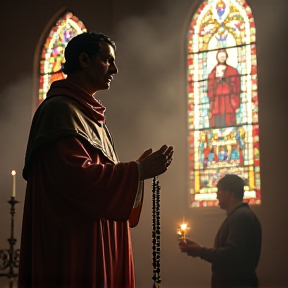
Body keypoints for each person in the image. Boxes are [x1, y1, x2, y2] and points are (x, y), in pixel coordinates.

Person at [18, 32, 174, 288]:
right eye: (108, 60)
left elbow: (98, 174)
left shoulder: (89, 115)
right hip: (74, 245)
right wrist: (136, 171)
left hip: (98, 237)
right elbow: (75, 178)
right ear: (83, 59)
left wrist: (135, 172)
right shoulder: (59, 110)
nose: (115, 69)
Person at [179, 174, 262, 288]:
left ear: (229, 194)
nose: (217, 195)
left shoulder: (241, 217)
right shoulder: (238, 216)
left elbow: (232, 255)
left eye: (219, 191)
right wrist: (199, 250)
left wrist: (200, 251)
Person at [208, 49, 241, 128]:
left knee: (229, 119)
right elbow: (210, 88)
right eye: (220, 56)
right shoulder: (213, 72)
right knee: (217, 119)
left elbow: (236, 87)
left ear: (226, 57)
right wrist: (217, 79)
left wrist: (226, 80)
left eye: (223, 56)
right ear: (217, 58)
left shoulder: (232, 71)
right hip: (217, 102)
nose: (222, 58)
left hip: (228, 101)